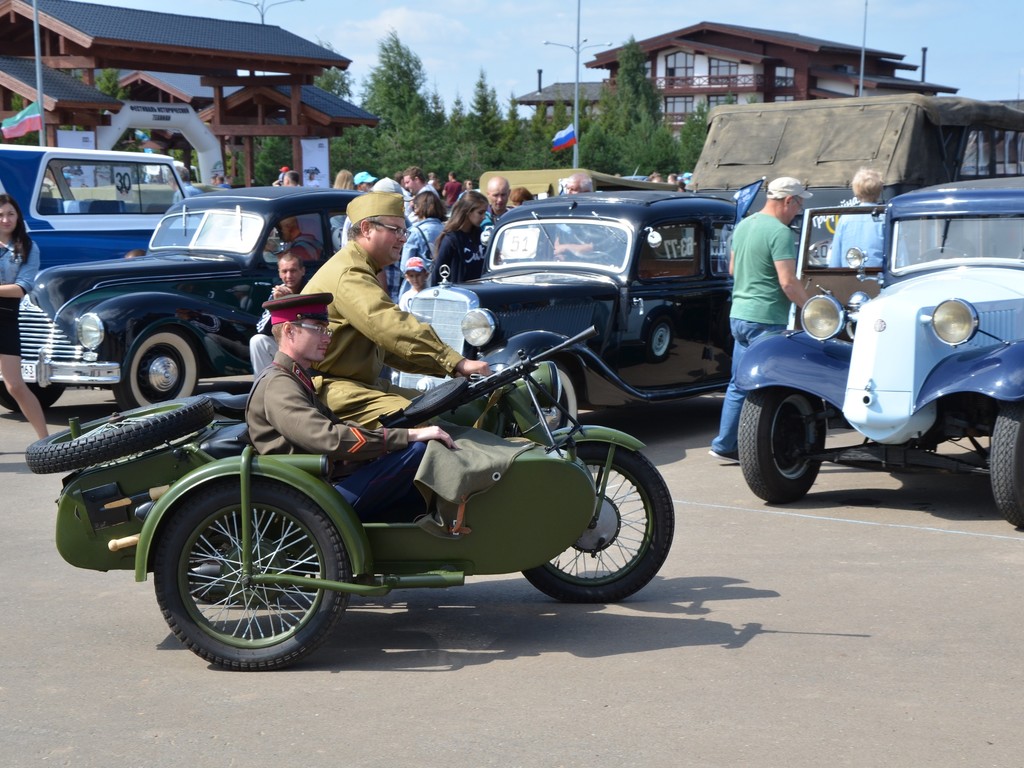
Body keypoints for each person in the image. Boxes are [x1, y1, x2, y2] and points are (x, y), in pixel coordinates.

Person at [245, 291, 456, 522]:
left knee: (411, 453)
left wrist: (389, 439)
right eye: (317, 327)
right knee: (416, 452)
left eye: (327, 329)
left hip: (316, 487)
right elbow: (326, 438)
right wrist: (405, 436)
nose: (327, 337)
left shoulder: (292, 377)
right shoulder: (279, 383)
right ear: (289, 330)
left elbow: (338, 426)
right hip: (307, 500)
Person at [302, 191, 491, 427]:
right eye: (395, 230)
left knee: (455, 409)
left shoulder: (359, 267)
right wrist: (456, 362)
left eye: (404, 231)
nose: (403, 238)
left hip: (355, 384)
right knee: (433, 425)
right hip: (335, 390)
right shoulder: (350, 273)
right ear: (367, 228)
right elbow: (389, 326)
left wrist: (452, 368)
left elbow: (385, 347)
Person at [709, 176, 814, 463]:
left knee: (737, 383)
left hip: (739, 315)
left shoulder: (745, 225)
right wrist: (811, 308)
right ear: (788, 200)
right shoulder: (780, 232)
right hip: (767, 318)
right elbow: (788, 283)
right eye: (799, 203)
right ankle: (765, 449)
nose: (798, 210)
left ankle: (724, 443)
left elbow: (732, 268)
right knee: (768, 388)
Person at [0, 194, 48, 439]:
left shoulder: (28, 246)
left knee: (15, 386)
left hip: (5, 317)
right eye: (0, 215)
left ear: (18, 216)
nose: (5, 219)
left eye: (10, 214)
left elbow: (22, 288)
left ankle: (47, 442)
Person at [249, 251, 306, 372]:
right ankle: (264, 386)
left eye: (293, 270)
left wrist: (292, 301)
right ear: (279, 273)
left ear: (303, 271)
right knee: (257, 341)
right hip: (286, 345)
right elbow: (261, 329)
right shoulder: (277, 293)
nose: (289, 276)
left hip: (307, 346)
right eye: (285, 271)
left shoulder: (310, 289)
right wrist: (276, 305)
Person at [829, 168, 885, 268]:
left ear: (856, 191)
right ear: (879, 191)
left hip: (849, 278)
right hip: (878, 277)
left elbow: (835, 258)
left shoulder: (845, 219)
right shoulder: (884, 218)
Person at [431, 190, 488, 286]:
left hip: (481, 292)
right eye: (480, 213)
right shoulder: (451, 240)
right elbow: (438, 273)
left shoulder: (480, 235)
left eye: (485, 212)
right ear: (468, 212)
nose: (484, 217)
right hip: (460, 295)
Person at [398, 191, 446, 305]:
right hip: (441, 284)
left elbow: (405, 265)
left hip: (417, 288)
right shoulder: (446, 230)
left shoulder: (415, 232)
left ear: (418, 208)